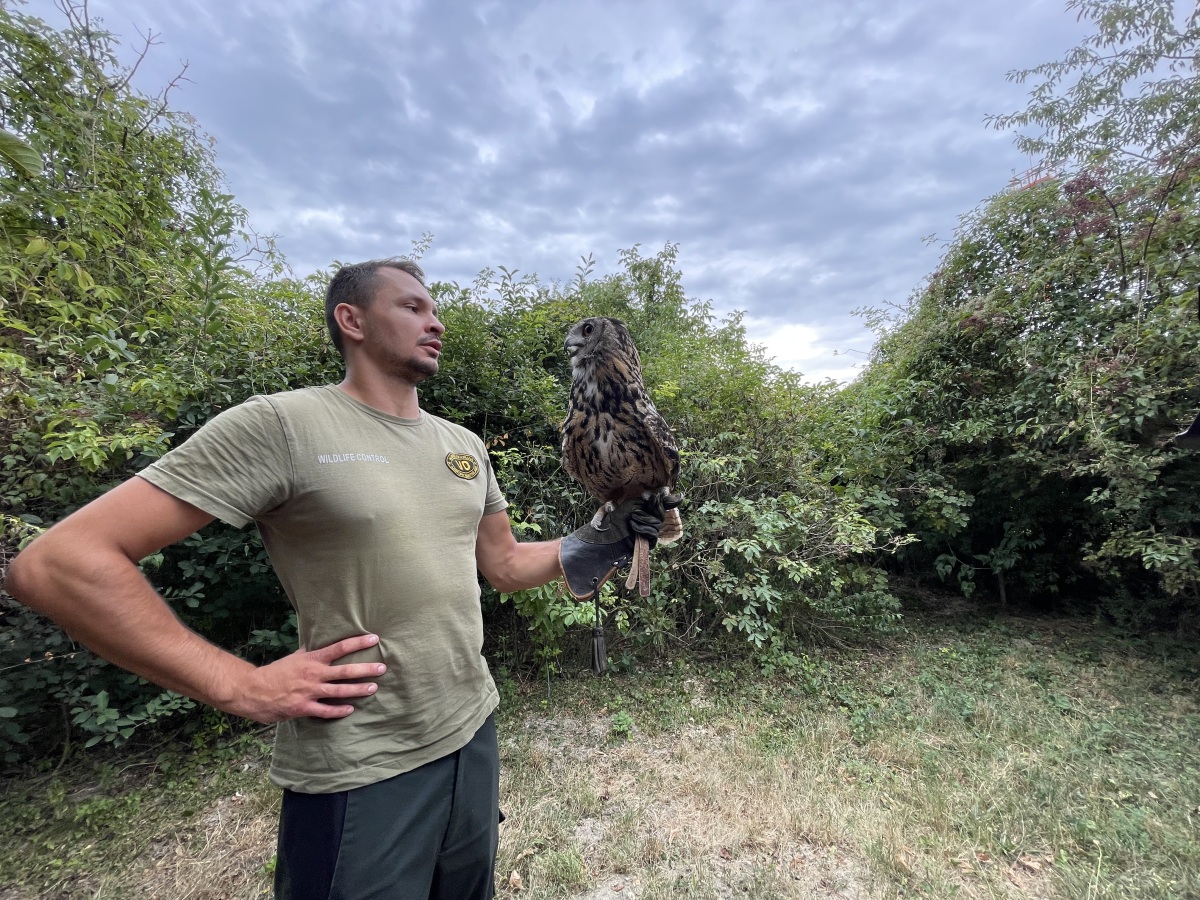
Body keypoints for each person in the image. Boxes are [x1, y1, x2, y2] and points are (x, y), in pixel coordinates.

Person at [4, 258, 663, 900]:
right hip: (360, 764)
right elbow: (59, 563)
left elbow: (504, 565)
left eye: (434, 309)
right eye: (411, 306)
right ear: (351, 318)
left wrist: (595, 539)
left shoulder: (462, 444)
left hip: (472, 730)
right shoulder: (283, 425)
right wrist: (239, 684)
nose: (434, 322)